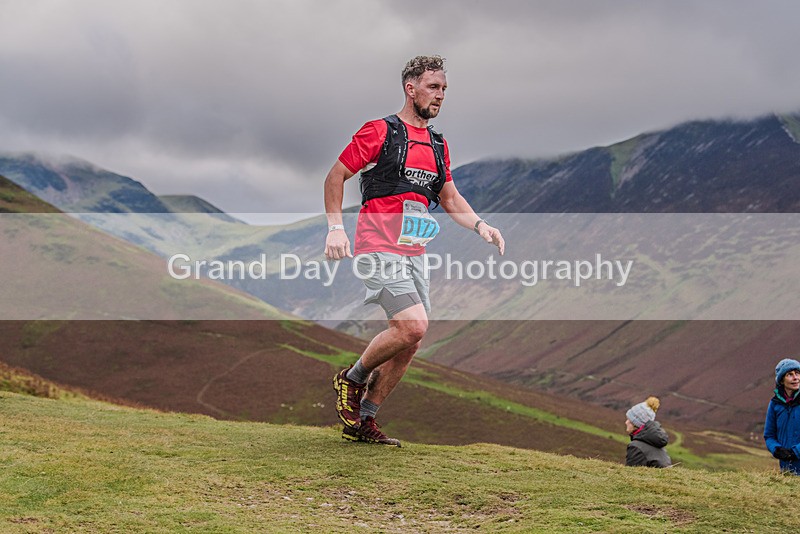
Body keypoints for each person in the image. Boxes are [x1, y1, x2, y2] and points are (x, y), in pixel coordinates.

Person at [324, 55, 505, 446]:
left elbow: (450, 197)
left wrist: (481, 225)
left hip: (414, 252)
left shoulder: (439, 145)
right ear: (411, 88)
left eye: (444, 89)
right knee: (412, 325)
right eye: (433, 87)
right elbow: (336, 176)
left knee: (411, 339)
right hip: (377, 245)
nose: (440, 96)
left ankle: (364, 421)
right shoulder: (380, 132)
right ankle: (351, 379)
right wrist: (335, 228)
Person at [763, 358, 800, 474]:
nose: (796, 378)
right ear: (782, 380)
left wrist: (796, 452)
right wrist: (776, 449)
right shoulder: (775, 404)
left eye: (798, 373)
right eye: (790, 374)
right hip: (786, 470)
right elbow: (769, 435)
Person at [625, 396, 672, 468]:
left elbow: (630, 475)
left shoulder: (636, 447)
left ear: (636, 423)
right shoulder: (655, 443)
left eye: (629, 420)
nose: (626, 422)